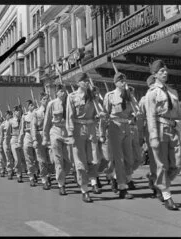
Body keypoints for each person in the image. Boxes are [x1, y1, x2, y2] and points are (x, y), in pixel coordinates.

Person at [145, 59, 181, 211]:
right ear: (154, 74)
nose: (165, 73)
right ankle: (167, 196)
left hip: (173, 130)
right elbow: (150, 116)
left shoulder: (173, 92)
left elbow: (179, 114)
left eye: (166, 70)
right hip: (159, 129)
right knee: (162, 165)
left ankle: (156, 181)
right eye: (161, 71)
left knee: (177, 165)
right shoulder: (152, 93)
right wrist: (153, 136)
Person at [66, 73, 104, 203]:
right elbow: (69, 116)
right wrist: (70, 134)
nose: (87, 82)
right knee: (80, 162)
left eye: (87, 80)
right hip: (78, 129)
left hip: (91, 128)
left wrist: (100, 115)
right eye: (84, 81)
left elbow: (99, 111)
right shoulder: (72, 97)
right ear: (78, 83)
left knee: (96, 158)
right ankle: (84, 190)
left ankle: (93, 180)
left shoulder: (92, 96)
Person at [102, 71, 138, 199]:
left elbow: (136, 110)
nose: (124, 83)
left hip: (127, 127)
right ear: (116, 83)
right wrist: (102, 132)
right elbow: (105, 114)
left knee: (130, 157)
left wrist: (131, 98)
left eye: (125, 81)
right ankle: (122, 187)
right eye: (121, 81)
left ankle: (119, 177)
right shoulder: (110, 96)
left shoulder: (129, 95)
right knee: (119, 159)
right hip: (114, 127)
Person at [43, 84, 72, 195]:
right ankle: (61, 184)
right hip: (55, 131)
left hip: (67, 132)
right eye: (60, 91)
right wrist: (45, 138)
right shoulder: (52, 104)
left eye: (64, 90)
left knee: (70, 159)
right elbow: (47, 122)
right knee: (58, 159)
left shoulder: (69, 102)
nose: (63, 92)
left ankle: (63, 176)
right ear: (56, 92)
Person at [138, 75, 158, 198]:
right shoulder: (144, 99)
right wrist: (140, 135)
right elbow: (140, 118)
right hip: (151, 132)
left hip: (164, 131)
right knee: (155, 160)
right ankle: (156, 186)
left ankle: (153, 179)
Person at [31, 92, 53, 190]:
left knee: (52, 159)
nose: (46, 100)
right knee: (42, 159)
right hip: (40, 135)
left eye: (47, 99)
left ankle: (49, 174)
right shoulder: (36, 112)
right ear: (40, 101)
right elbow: (33, 127)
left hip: (50, 135)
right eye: (44, 99)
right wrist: (35, 139)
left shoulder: (52, 111)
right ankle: (44, 179)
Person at [19, 100, 39, 187]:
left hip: (37, 136)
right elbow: (21, 129)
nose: (32, 106)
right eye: (30, 105)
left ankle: (36, 172)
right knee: (28, 157)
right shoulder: (24, 116)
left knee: (38, 158)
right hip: (28, 136)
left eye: (33, 105)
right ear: (27, 107)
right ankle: (31, 177)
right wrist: (20, 141)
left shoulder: (37, 113)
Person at [10, 106, 24, 183]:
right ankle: (19, 174)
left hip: (22, 139)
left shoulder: (23, 119)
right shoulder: (11, 121)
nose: (19, 112)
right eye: (17, 111)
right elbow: (8, 133)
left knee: (24, 159)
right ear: (14, 112)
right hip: (14, 140)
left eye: (20, 111)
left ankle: (33, 173)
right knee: (17, 159)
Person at [3, 110, 15, 180]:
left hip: (13, 139)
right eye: (6, 115)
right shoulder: (4, 124)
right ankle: (10, 171)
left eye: (8, 114)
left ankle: (14, 169)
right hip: (6, 141)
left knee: (14, 156)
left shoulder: (13, 121)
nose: (7, 116)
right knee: (8, 157)